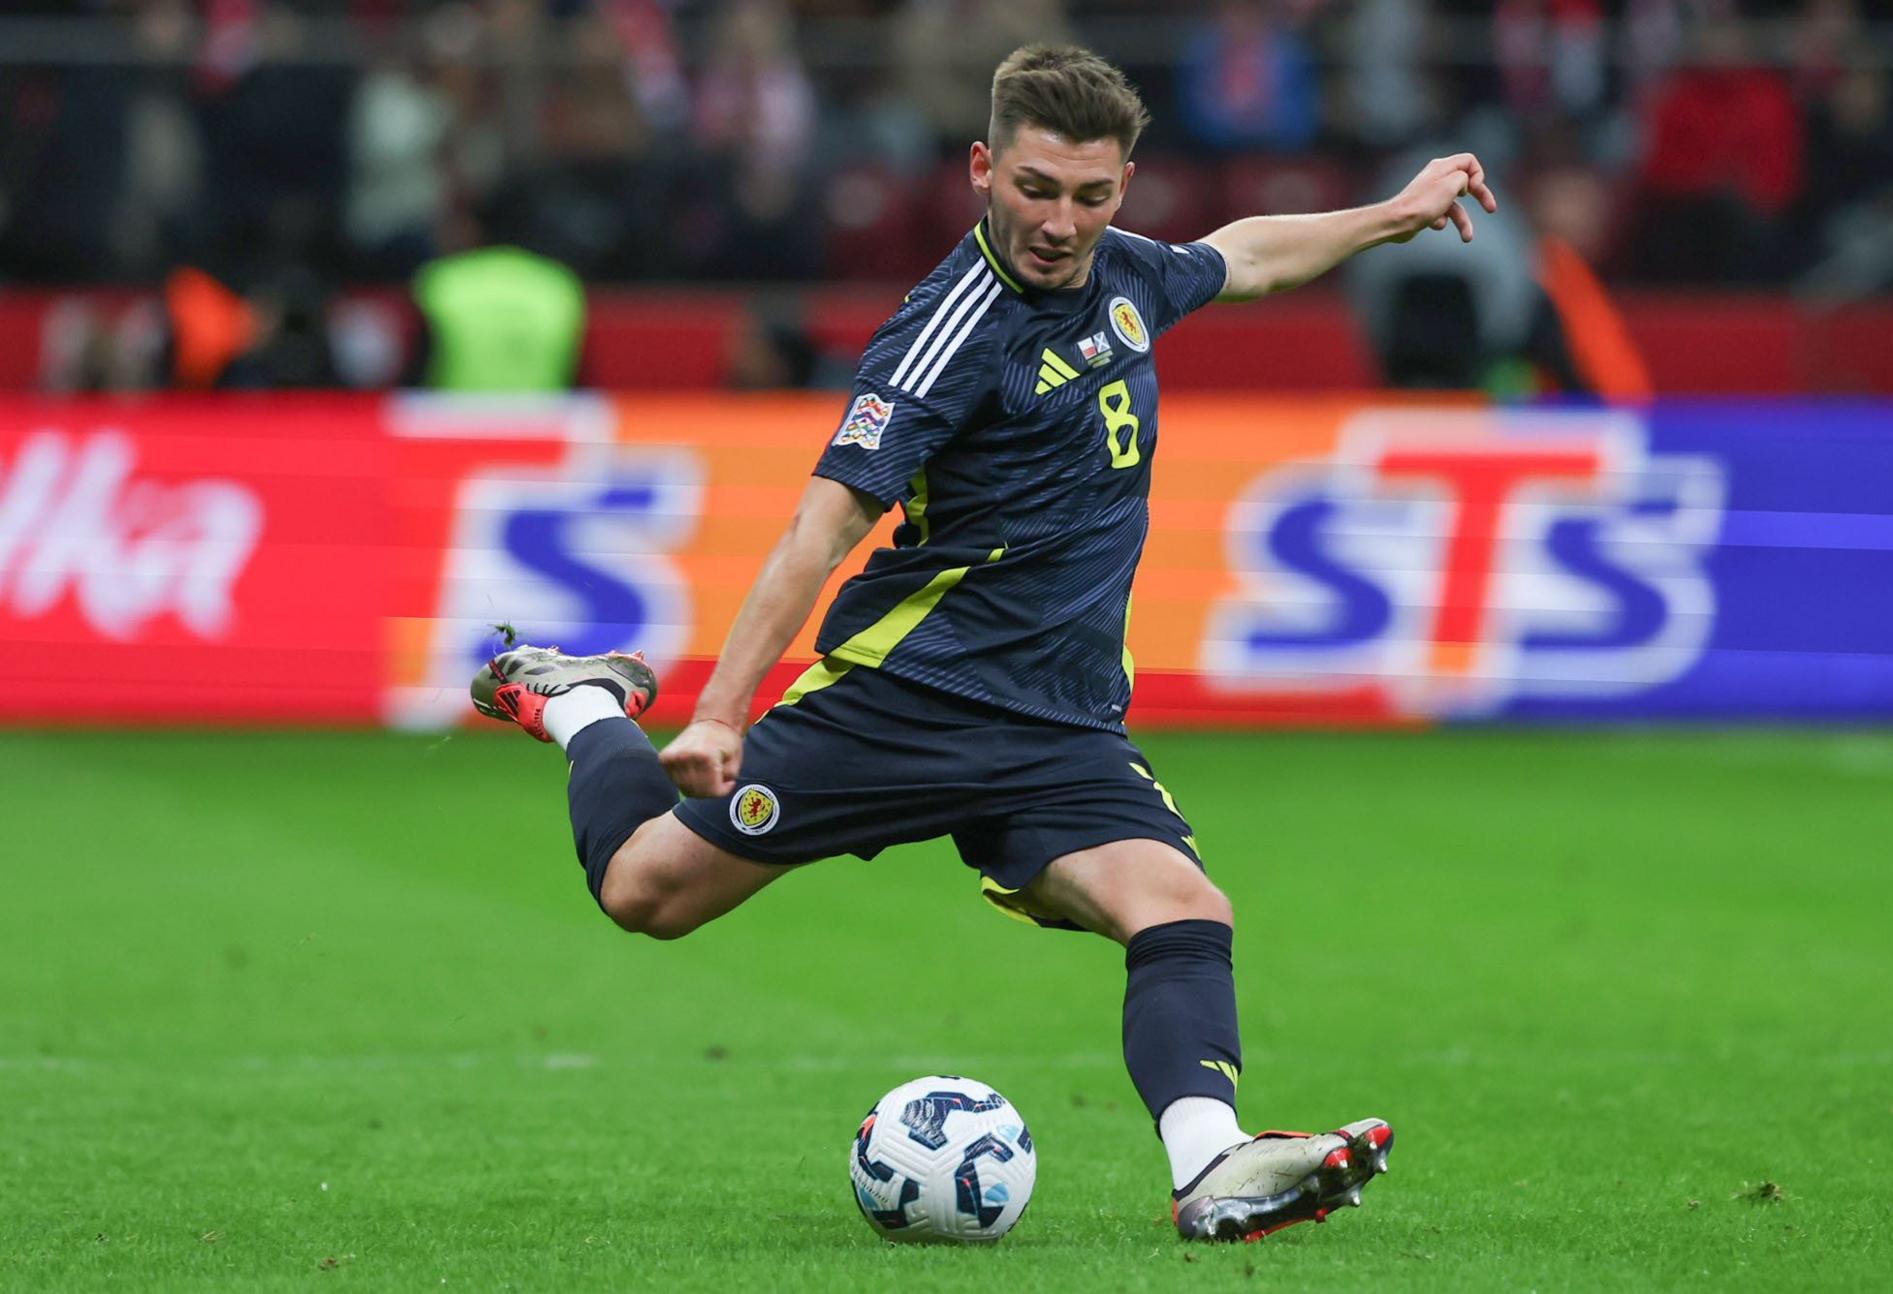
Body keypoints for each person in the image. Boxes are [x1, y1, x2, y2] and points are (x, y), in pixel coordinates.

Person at [471, 45, 1493, 1243]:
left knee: (1180, 910)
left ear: (1123, 187)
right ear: (980, 170)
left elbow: (1249, 253)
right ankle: (588, 702)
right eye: (1035, 189)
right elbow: (821, 525)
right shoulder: (946, 335)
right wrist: (717, 711)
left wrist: (1392, 213)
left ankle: (1209, 1162)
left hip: (1058, 719)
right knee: (644, 891)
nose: (1061, 224)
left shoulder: (1125, 275)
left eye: (1091, 195)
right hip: (906, 699)